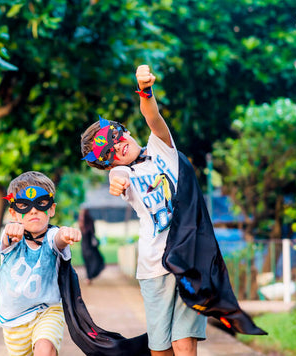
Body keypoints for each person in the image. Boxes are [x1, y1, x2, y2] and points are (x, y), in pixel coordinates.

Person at [80, 65, 265, 356]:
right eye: (109, 153)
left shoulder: (161, 148)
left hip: (188, 261)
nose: (118, 147)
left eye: (116, 138)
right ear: (107, 164)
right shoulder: (122, 175)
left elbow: (152, 117)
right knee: (161, 347)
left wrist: (145, 90)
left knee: (184, 341)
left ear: (125, 131)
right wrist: (117, 178)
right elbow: (120, 178)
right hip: (154, 268)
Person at [0, 171, 81, 356]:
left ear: (51, 209)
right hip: (13, 321)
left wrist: (66, 234)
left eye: (41, 203)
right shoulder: (11, 236)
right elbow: (7, 238)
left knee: (45, 349)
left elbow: (58, 238)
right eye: (24, 205)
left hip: (47, 311)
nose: (33, 210)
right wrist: (10, 231)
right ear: (13, 212)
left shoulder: (52, 236)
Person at [78, 208, 104, 284]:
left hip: (84, 246)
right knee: (97, 260)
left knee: (87, 263)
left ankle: (88, 278)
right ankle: (91, 276)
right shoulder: (90, 221)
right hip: (90, 246)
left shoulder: (81, 223)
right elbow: (93, 232)